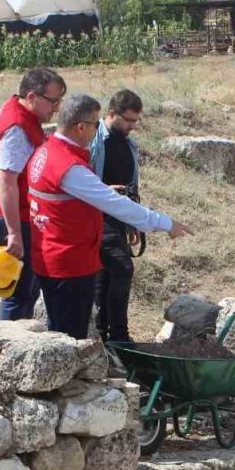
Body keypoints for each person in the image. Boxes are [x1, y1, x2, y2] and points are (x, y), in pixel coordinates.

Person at [27, 93, 189, 339]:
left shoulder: (45, 152)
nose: (96, 129)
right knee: (69, 338)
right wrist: (166, 223)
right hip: (69, 264)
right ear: (80, 127)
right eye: (94, 124)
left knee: (61, 331)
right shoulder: (68, 166)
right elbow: (115, 204)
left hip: (52, 257)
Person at [0, 67, 65, 320]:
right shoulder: (18, 128)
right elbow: (7, 182)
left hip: (16, 217)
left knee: (25, 293)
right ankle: (9, 348)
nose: (56, 108)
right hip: (14, 219)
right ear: (31, 97)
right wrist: (14, 234)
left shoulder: (19, 114)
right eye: (53, 101)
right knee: (17, 294)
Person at [89, 89, 144, 345]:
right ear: (112, 113)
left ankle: (104, 335)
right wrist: (103, 191)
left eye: (135, 121)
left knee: (107, 275)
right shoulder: (94, 139)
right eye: (129, 120)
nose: (132, 126)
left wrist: (134, 219)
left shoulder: (128, 143)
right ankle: (118, 336)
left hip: (118, 216)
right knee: (122, 268)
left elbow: (132, 185)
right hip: (97, 215)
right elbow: (82, 177)